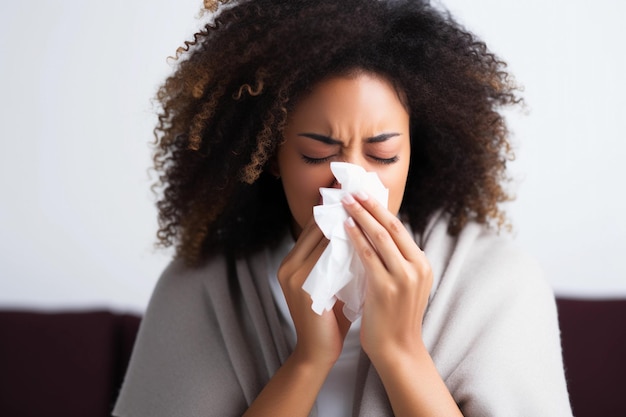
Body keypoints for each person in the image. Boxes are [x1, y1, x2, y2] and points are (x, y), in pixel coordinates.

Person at [113, 0, 573, 416]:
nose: (350, 183)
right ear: (271, 155)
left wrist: (400, 350)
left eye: (383, 155)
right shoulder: (202, 288)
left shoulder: (497, 283)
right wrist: (309, 361)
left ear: (416, 151)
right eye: (317, 154)